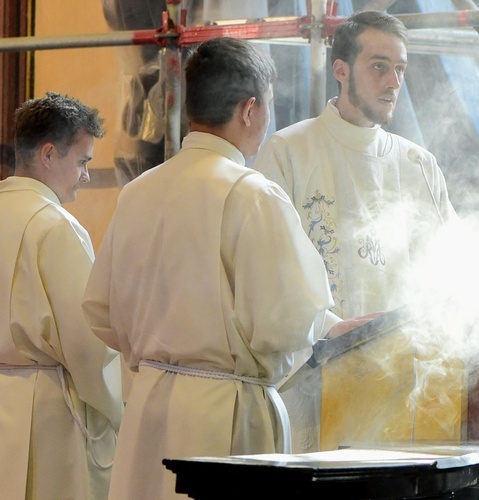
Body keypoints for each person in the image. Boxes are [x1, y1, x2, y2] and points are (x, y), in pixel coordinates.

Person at [82, 37, 342, 499]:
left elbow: (100, 309)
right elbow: (287, 323)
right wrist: (325, 330)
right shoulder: (252, 194)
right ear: (249, 110)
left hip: (147, 406)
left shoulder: (139, 191)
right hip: (223, 418)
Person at [254, 9, 456, 321]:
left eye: (400, 69)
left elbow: (452, 265)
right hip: (318, 360)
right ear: (341, 70)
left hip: (404, 358)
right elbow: (268, 277)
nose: (393, 82)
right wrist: (331, 331)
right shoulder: (288, 151)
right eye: (379, 66)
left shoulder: (417, 164)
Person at [0, 92, 123, 499]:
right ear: (49, 154)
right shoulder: (55, 226)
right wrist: (122, 409)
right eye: (83, 161)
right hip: (46, 411)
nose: (86, 176)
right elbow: (88, 348)